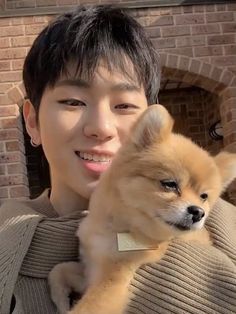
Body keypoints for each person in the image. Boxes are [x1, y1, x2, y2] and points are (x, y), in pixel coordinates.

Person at [0, 4, 235, 314]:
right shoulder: (8, 240)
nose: (101, 128)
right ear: (32, 121)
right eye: (72, 101)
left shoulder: (223, 229)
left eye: (124, 106)